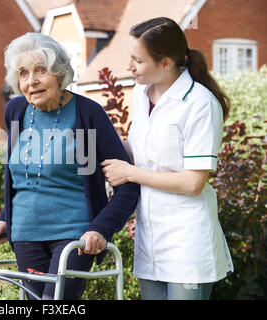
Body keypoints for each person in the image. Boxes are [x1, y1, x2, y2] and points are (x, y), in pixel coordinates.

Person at [0, 32, 139, 300]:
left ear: (59, 73)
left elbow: (127, 185)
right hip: (25, 235)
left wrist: (101, 228)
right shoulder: (16, 110)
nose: (31, 81)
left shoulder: (87, 114)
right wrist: (5, 218)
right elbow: (24, 177)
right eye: (23, 73)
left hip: (74, 237)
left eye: (40, 71)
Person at [101, 17, 234, 300]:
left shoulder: (200, 104)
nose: (129, 67)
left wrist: (131, 173)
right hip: (150, 238)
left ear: (165, 63)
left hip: (187, 242)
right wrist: (94, 145)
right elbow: (143, 152)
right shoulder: (141, 93)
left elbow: (193, 183)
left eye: (138, 60)